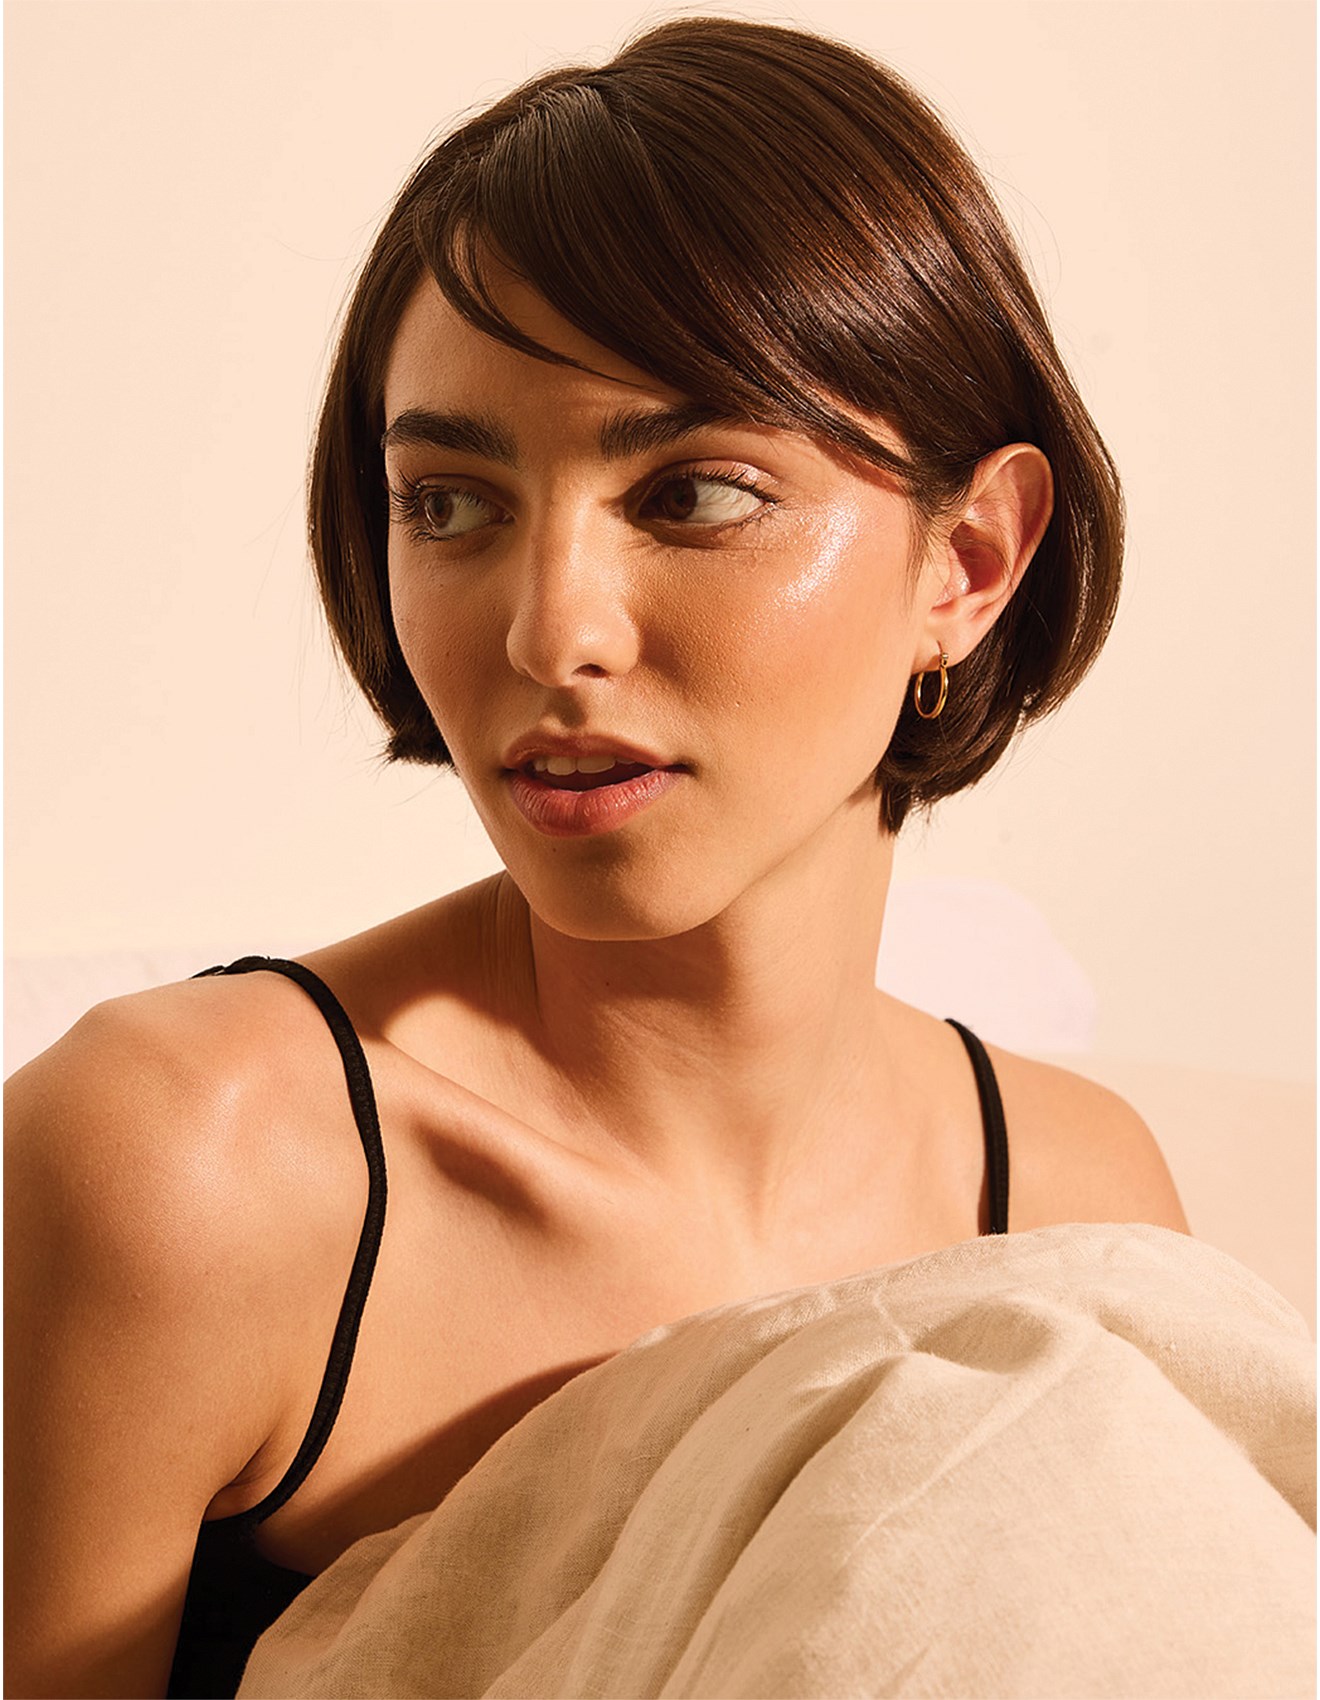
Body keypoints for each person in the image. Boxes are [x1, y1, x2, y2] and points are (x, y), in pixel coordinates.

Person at [4, 15, 1191, 1699]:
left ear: (971, 560)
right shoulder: (185, 1167)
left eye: (695, 495)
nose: (549, 630)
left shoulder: (1072, 1205)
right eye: (448, 501)